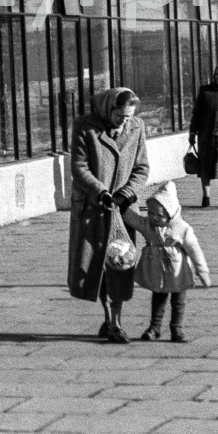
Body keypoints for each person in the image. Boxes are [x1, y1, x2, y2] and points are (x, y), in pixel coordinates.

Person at [68, 87, 149, 343]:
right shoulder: (85, 126)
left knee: (121, 264)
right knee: (96, 268)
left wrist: (127, 193)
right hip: (93, 208)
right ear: (108, 108)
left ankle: (117, 321)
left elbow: (142, 168)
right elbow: (79, 167)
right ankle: (107, 317)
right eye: (120, 116)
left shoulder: (136, 128)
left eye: (128, 116)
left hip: (123, 211)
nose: (124, 121)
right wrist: (100, 191)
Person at [124, 181, 210, 343]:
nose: (154, 218)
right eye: (151, 213)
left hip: (178, 271)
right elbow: (133, 219)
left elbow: (194, 249)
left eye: (160, 215)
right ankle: (155, 327)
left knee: (178, 300)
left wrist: (202, 271)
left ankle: (176, 328)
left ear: (171, 213)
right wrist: (121, 206)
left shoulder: (182, 228)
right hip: (157, 270)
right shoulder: (147, 225)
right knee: (158, 299)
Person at [188, 64, 218, 207]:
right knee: (205, 165)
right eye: (217, 74)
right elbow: (196, 114)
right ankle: (206, 196)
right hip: (205, 135)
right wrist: (192, 132)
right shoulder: (205, 91)